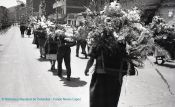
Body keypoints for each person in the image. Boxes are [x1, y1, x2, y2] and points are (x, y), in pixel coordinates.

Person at [84, 29, 129, 107]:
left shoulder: (98, 43)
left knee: (97, 99)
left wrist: (87, 69)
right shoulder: (122, 44)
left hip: (100, 76)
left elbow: (91, 59)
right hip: (115, 77)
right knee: (112, 99)